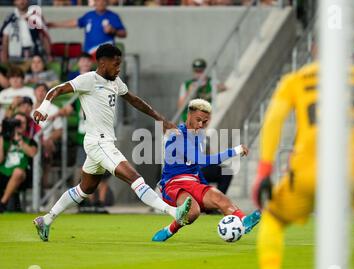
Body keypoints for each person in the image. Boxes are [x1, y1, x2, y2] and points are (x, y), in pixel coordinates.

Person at [32, 44, 192, 241]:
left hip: (102, 143)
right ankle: (174, 212)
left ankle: (46, 220)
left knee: (85, 189)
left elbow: (135, 100)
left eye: (120, 65)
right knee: (135, 178)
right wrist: (44, 107)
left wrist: (162, 120)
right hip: (99, 143)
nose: (118, 69)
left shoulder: (115, 81)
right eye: (115, 65)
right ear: (102, 63)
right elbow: (57, 89)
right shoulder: (89, 79)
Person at [252, 58, 354, 269]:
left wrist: (264, 171)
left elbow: (274, 119)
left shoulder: (296, 79)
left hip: (310, 170)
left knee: (273, 220)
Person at [151, 98, 261, 242]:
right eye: (198, 120)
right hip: (173, 184)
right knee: (193, 212)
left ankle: (244, 221)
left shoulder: (199, 136)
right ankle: (169, 230)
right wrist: (235, 150)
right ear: (188, 116)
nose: (201, 125)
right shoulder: (177, 135)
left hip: (193, 182)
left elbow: (197, 168)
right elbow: (202, 160)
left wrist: (204, 186)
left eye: (205, 122)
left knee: (220, 198)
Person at [47, 0, 127, 57]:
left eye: (103, 1)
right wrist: (54, 24)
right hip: (88, 55)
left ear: (106, 2)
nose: (101, 2)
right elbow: (74, 23)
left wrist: (113, 30)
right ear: (94, 2)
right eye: (98, 0)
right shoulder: (89, 15)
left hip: (104, 55)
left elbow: (123, 33)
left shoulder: (113, 16)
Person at [0, 112, 37, 212]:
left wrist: (19, 140)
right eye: (17, 122)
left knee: (18, 172)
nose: (19, 125)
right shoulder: (5, 139)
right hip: (3, 172)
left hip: (21, 175)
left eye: (22, 123)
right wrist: (2, 136)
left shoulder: (29, 141)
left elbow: (32, 153)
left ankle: (2, 204)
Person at [0, 0, 51, 65]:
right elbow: (5, 40)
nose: (21, 1)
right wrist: (4, 60)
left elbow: (44, 36)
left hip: (34, 56)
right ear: (14, 2)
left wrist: (48, 54)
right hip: (14, 57)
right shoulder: (10, 19)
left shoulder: (35, 17)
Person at [178, 58, 226, 123]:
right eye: (196, 71)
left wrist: (220, 87)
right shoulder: (186, 85)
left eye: (201, 71)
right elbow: (180, 107)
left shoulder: (212, 83)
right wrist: (188, 93)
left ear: (205, 71)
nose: (198, 74)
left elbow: (226, 89)